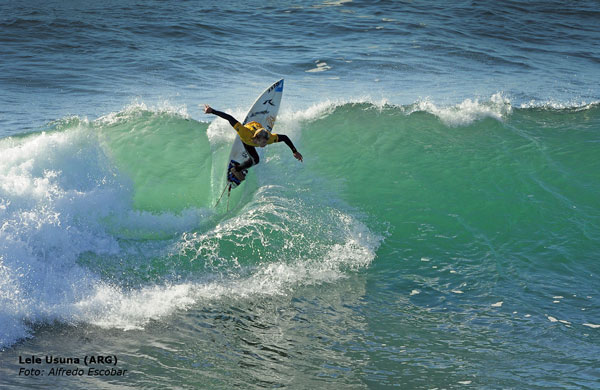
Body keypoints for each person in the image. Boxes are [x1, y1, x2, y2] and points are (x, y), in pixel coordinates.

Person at [204, 104, 303, 181]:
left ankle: (239, 168)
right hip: (249, 132)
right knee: (255, 159)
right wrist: (212, 111)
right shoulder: (244, 133)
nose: (265, 145)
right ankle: (236, 169)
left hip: (258, 127)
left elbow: (284, 137)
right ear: (257, 139)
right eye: (263, 143)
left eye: (265, 142)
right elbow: (230, 118)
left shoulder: (270, 138)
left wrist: (294, 151)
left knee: (255, 160)